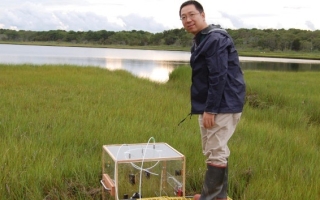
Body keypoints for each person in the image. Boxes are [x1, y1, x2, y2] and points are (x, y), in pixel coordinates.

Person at [179, 1, 246, 200]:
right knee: (213, 149)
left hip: (222, 105)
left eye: (192, 15)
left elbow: (218, 76)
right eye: (183, 17)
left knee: (215, 150)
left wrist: (211, 109)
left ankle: (212, 197)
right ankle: (216, 196)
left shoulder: (215, 38)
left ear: (202, 14)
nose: (188, 20)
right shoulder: (202, 39)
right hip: (214, 105)